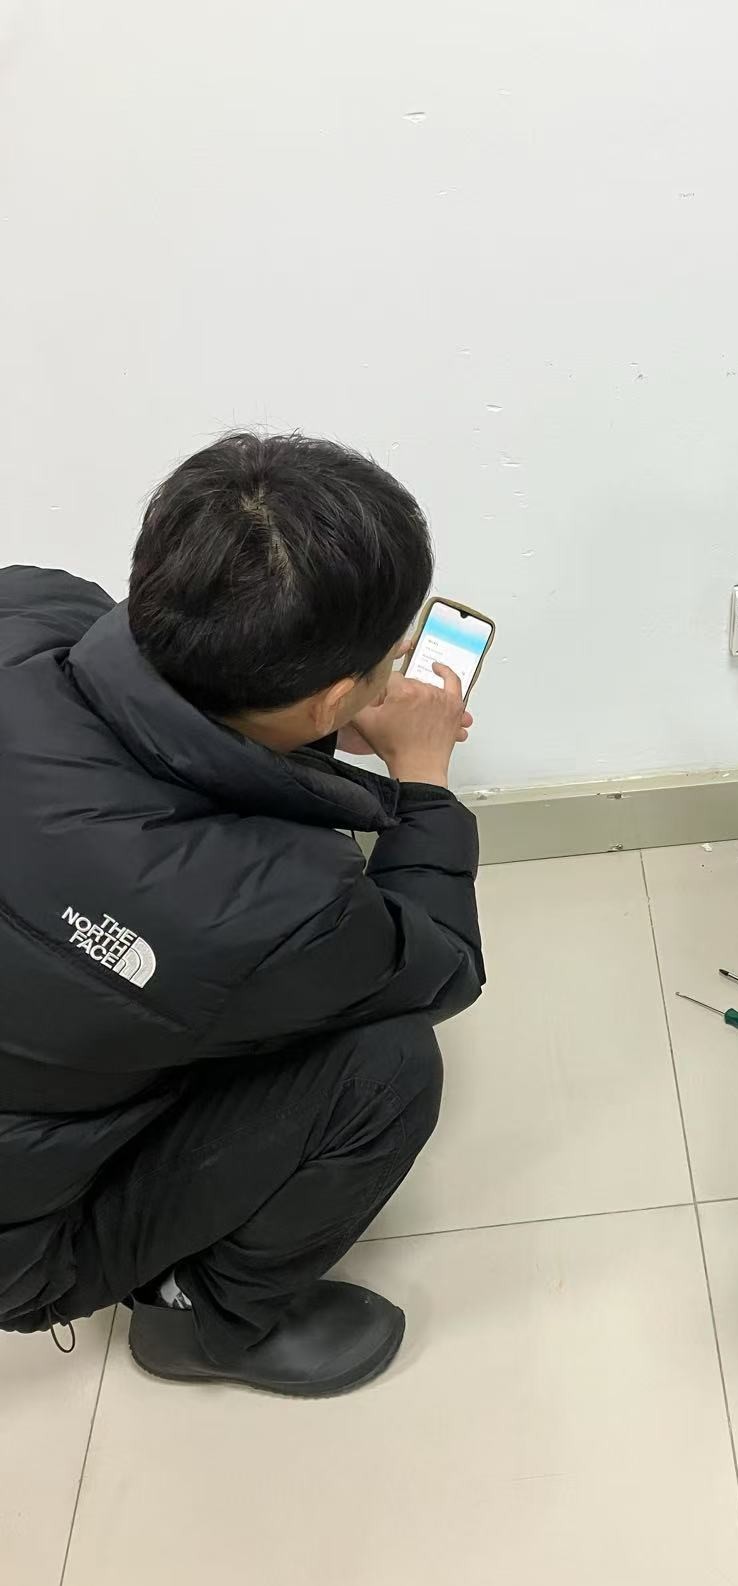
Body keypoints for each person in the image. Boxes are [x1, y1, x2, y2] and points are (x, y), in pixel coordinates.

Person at [0, 433, 484, 1397]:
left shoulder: (24, 607)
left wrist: (295, 729)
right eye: (380, 666)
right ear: (334, 697)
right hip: (19, 1250)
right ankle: (205, 1321)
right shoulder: (272, 907)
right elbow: (443, 966)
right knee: (385, 1068)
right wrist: (423, 779)